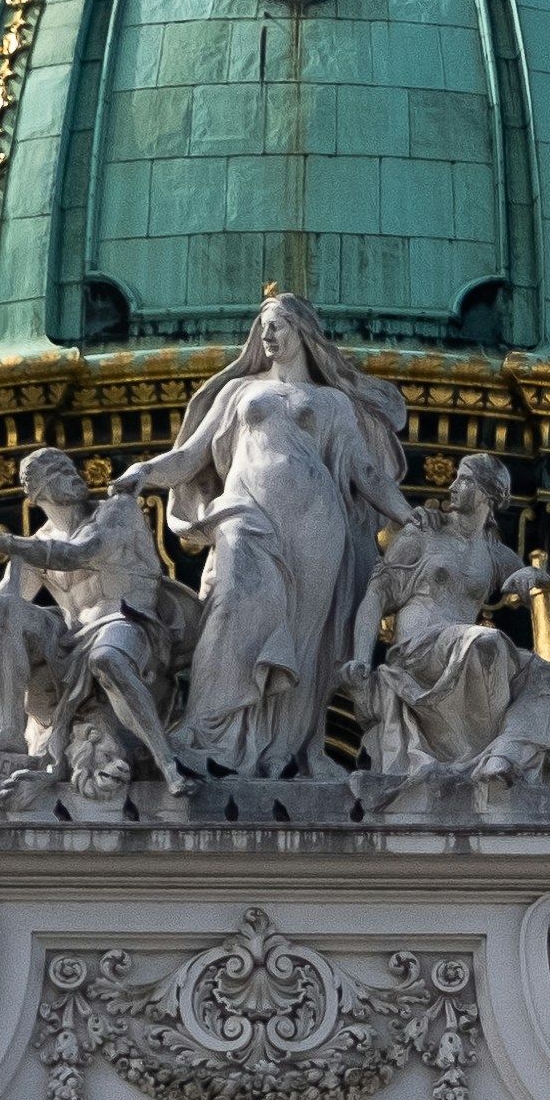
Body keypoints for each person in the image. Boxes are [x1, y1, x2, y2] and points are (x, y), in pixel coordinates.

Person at [115, 289, 411, 779]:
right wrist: (144, 471)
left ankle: (280, 752)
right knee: (234, 604)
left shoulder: (333, 402)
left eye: (278, 326)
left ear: (302, 332)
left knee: (304, 637)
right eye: (263, 327)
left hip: (317, 524)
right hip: (246, 513)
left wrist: (406, 513)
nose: (268, 335)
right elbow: (191, 456)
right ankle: (206, 732)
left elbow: (365, 473)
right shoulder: (239, 392)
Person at [0, 448, 190, 804]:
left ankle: (168, 763)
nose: (74, 475)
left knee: (107, 658)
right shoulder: (36, 545)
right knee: (4, 608)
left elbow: (78, 554)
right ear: (37, 493)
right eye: (59, 471)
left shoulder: (117, 510)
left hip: (129, 622)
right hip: (72, 640)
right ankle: (12, 731)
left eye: (69, 467)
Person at [343, 452, 550, 789]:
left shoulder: (495, 555)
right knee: (486, 641)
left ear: (488, 493)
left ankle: (504, 756)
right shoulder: (423, 534)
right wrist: (361, 658)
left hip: (463, 651)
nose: (452, 486)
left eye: (464, 479)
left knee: (547, 677)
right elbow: (376, 596)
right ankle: (485, 755)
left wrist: (535, 575)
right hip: (417, 652)